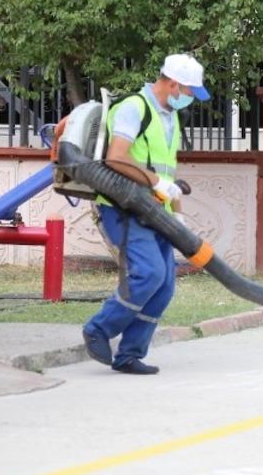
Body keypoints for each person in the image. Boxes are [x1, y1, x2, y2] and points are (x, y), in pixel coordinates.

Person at [82, 54, 210, 375]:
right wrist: (157, 182)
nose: (191, 98)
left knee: (165, 284)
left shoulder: (170, 116)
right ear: (173, 83)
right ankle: (98, 329)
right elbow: (117, 157)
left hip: (156, 210)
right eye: (190, 91)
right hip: (123, 206)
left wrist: (178, 216)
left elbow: (168, 174)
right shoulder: (134, 108)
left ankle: (129, 355)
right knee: (149, 273)